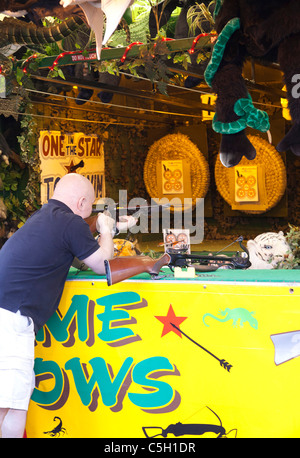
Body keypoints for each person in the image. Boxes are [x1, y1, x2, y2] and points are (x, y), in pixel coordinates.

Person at [0, 173, 136, 438]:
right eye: (91, 206)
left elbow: (78, 245)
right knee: (12, 407)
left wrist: (111, 227)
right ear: (82, 201)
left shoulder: (44, 217)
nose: (89, 213)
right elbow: (102, 264)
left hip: (5, 311)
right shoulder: (70, 222)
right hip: (12, 318)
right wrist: (106, 230)